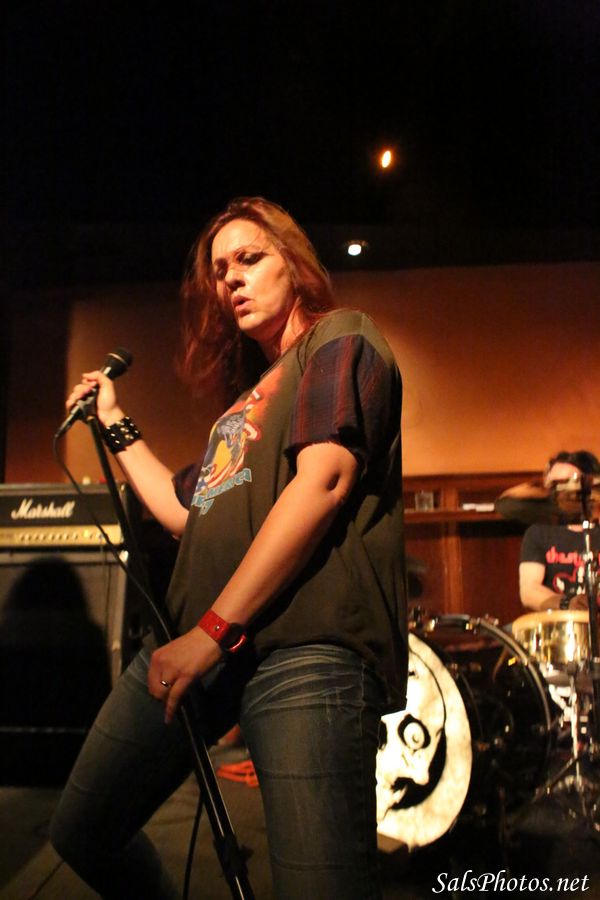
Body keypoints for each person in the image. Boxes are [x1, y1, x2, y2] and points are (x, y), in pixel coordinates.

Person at [49, 197, 408, 900]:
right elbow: (183, 511)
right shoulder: (241, 407)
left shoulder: (339, 338)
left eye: (249, 258)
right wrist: (115, 423)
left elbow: (325, 481)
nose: (230, 279)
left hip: (302, 648)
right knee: (83, 829)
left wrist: (212, 631)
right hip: (197, 644)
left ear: (295, 266)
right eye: (219, 270)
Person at [497, 450, 600, 612]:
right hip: (559, 621)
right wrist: (567, 604)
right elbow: (529, 590)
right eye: (554, 485)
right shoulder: (539, 532)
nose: (559, 491)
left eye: (567, 482)